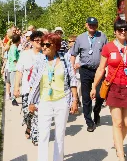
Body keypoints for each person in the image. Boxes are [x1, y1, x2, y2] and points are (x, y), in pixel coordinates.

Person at [91, 19, 127, 160]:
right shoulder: (108, 48)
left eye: (125, 30)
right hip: (114, 87)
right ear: (115, 32)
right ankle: (121, 154)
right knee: (118, 122)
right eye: (120, 30)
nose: (123, 32)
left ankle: (118, 143)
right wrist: (93, 86)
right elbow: (101, 69)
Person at [27, 33, 79, 161]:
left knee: (59, 134)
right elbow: (33, 83)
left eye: (47, 45)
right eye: (42, 44)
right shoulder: (39, 60)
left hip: (62, 100)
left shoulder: (65, 58)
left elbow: (72, 80)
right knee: (43, 134)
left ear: (55, 46)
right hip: (44, 101)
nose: (43, 47)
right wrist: (31, 102)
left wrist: (74, 100)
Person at [70, 17, 108, 132]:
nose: (92, 26)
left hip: (99, 70)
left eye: (94, 24)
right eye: (90, 24)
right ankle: (89, 121)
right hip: (85, 70)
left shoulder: (102, 36)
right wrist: (72, 67)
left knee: (100, 95)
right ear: (86, 25)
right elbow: (73, 54)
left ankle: (96, 111)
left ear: (97, 25)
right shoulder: (81, 38)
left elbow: (107, 53)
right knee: (86, 97)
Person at [14, 30, 44, 144]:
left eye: (41, 40)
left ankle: (36, 136)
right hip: (27, 90)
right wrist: (16, 87)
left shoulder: (45, 55)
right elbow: (19, 71)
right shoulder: (25, 54)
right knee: (28, 113)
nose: (39, 42)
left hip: (41, 91)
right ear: (31, 41)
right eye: (36, 40)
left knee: (38, 113)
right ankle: (29, 127)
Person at [65, 35, 81, 107]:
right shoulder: (67, 52)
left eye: (70, 41)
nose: (68, 43)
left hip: (78, 75)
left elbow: (85, 61)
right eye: (68, 41)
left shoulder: (80, 51)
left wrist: (79, 64)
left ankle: (76, 103)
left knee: (78, 91)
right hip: (70, 75)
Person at [8, 34, 21, 106]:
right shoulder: (13, 48)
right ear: (18, 40)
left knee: (15, 83)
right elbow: (14, 59)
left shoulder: (14, 47)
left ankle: (14, 97)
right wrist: (18, 66)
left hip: (14, 68)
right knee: (13, 84)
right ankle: (13, 99)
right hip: (13, 68)